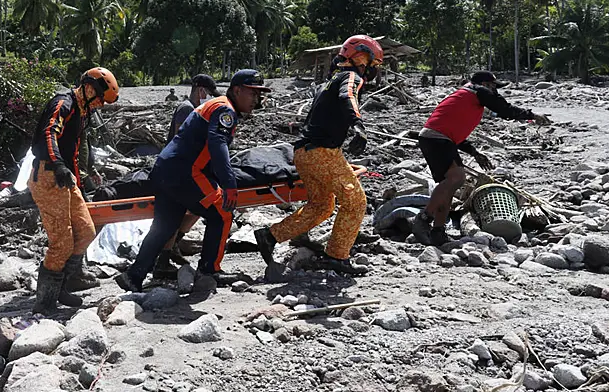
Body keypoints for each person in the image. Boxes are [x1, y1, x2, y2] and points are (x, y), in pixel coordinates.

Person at [116, 70, 270, 292]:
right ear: (237, 90)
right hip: (186, 172)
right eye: (253, 94)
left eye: (259, 95)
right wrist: (229, 184)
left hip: (165, 169)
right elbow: (218, 145)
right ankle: (209, 270)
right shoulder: (226, 110)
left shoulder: (217, 104)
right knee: (222, 213)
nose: (257, 100)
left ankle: (134, 275)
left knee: (165, 225)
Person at [255, 35, 384, 276]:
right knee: (356, 202)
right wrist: (357, 125)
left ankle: (270, 236)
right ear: (362, 58)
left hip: (304, 153)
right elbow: (349, 96)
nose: (373, 70)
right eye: (373, 64)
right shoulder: (350, 77)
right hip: (322, 152)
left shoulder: (330, 80)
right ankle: (336, 256)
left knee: (322, 206)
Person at [412, 70, 551, 245]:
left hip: (437, 138)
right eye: (494, 87)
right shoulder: (478, 91)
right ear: (486, 84)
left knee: (450, 185)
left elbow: (455, 132)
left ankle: (438, 231)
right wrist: (532, 115)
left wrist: (475, 153)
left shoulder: (465, 97)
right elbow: (504, 109)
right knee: (457, 178)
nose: (495, 91)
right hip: (437, 138)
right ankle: (424, 219)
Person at [29, 68, 120, 314]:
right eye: (101, 98)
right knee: (62, 242)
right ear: (90, 88)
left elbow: (75, 150)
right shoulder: (64, 104)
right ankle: (45, 302)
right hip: (49, 176)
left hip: (66, 178)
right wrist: (58, 164)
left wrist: (80, 180)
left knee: (86, 230)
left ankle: (63, 283)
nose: (100, 104)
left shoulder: (82, 111)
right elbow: (50, 133)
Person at [155, 74, 222, 279]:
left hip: (186, 169)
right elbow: (182, 140)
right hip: (180, 171)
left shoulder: (193, 109)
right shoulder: (186, 109)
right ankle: (163, 261)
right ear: (201, 91)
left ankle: (173, 247)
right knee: (179, 213)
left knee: (194, 211)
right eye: (209, 94)